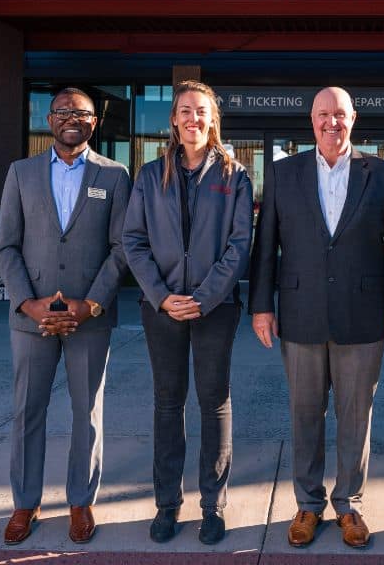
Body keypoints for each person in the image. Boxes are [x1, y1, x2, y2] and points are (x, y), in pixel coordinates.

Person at [249, 86, 384, 549]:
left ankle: (348, 504)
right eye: (323, 114)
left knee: (355, 415)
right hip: (300, 314)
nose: (332, 122)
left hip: (362, 316)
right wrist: (261, 305)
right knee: (304, 414)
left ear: (353, 118)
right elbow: (265, 246)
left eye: (340, 114)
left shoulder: (380, 174)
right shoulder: (284, 173)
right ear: (311, 120)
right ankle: (308, 503)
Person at [0, 87, 131, 546]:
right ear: (49, 119)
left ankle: (79, 501)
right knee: (27, 411)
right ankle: (25, 503)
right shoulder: (21, 172)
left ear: (96, 122)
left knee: (86, 413)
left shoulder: (114, 176)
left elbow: (122, 247)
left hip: (89, 317)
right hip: (30, 318)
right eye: (64, 111)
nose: (73, 118)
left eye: (83, 113)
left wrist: (91, 303)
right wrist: (27, 303)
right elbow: (7, 245)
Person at [122, 81, 253, 545]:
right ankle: (167, 505)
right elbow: (132, 241)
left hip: (215, 308)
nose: (193, 118)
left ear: (212, 119)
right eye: (184, 111)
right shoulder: (149, 174)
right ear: (174, 120)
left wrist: (205, 296)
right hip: (162, 310)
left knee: (214, 402)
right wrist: (161, 296)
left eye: (201, 111)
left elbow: (240, 246)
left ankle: (213, 506)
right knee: (167, 403)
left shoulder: (235, 175)